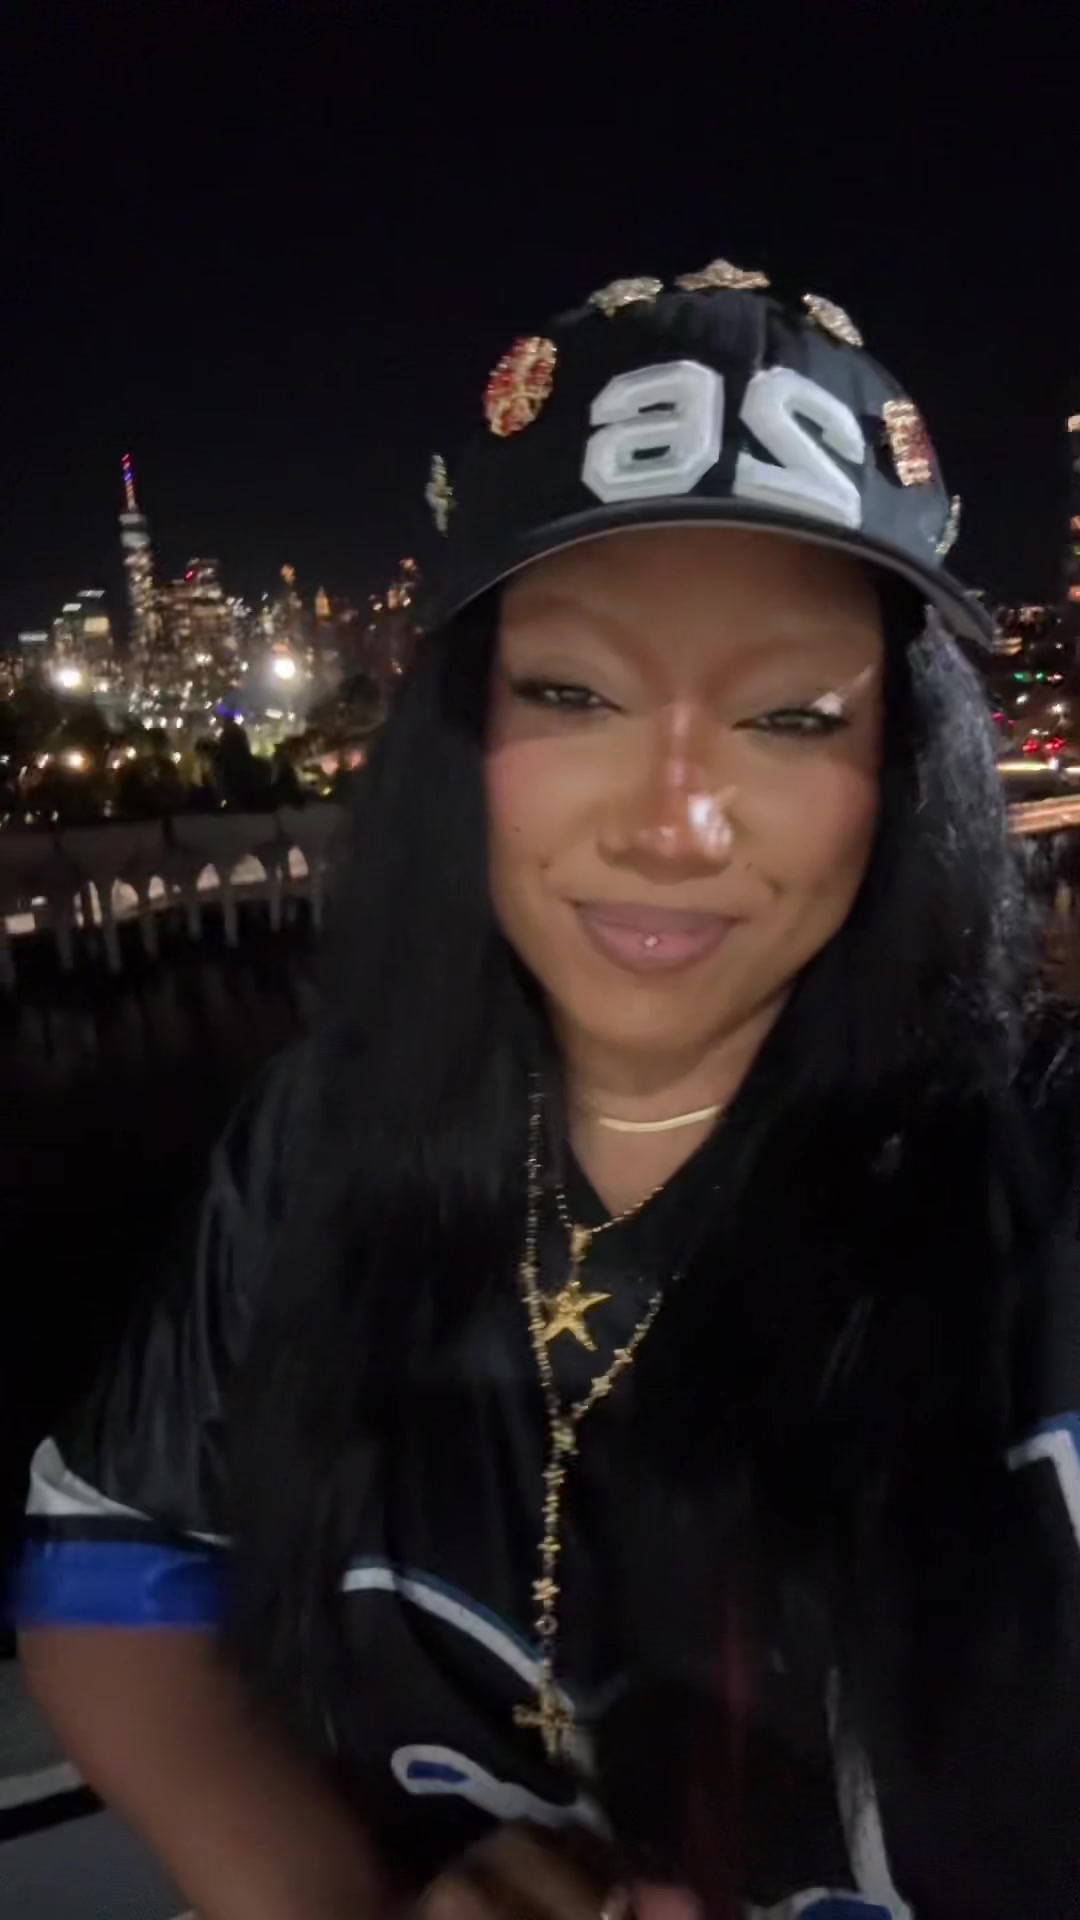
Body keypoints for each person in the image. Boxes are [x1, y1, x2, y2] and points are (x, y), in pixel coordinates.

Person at [15, 265, 1080, 1920]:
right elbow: (115, 1567)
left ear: (905, 774)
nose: (671, 822)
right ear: (459, 735)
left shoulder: (1037, 1189)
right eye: (573, 695)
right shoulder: (319, 1141)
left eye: (792, 718)